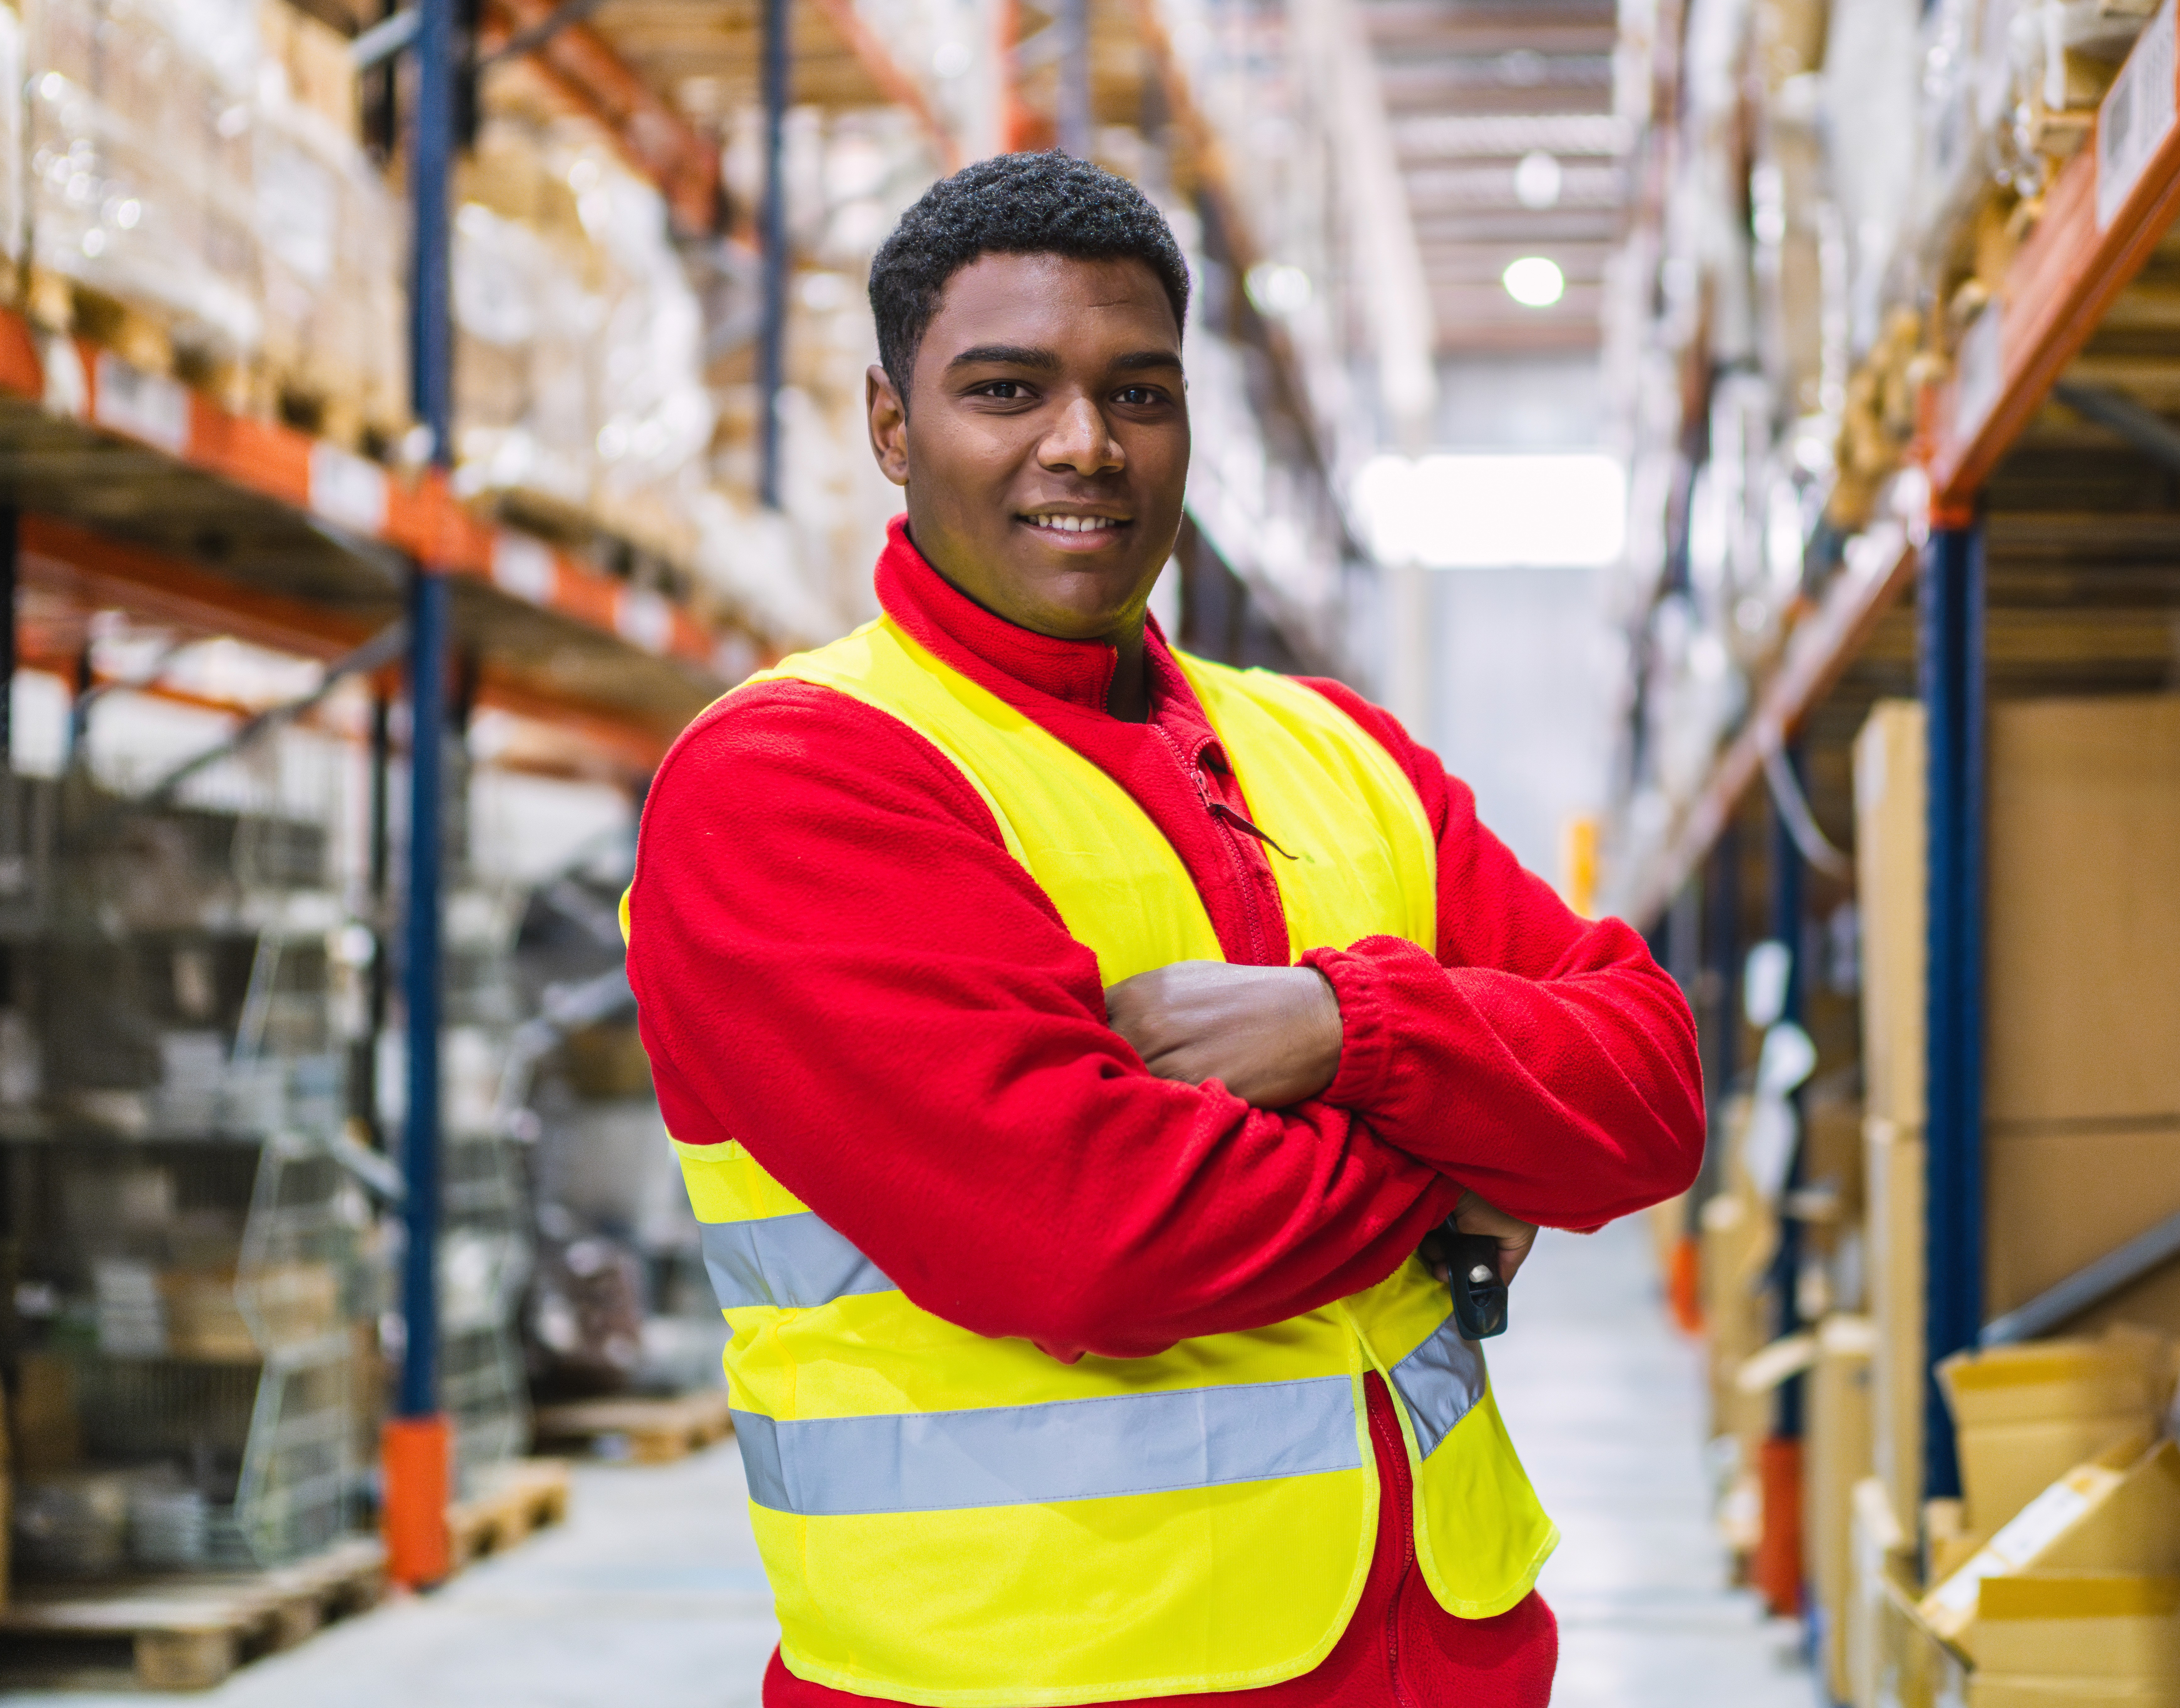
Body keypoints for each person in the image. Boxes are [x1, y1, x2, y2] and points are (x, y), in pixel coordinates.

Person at [626, 152, 1705, 1708]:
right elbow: (1090, 1231)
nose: (1085, 445)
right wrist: (1470, 1151)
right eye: (1006, 389)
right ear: (889, 423)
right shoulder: (794, 775)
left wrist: (1353, 1030)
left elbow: (1654, 1085)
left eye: (1139, 393)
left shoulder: (1339, 752)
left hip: (1439, 1662)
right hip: (1040, 1676)